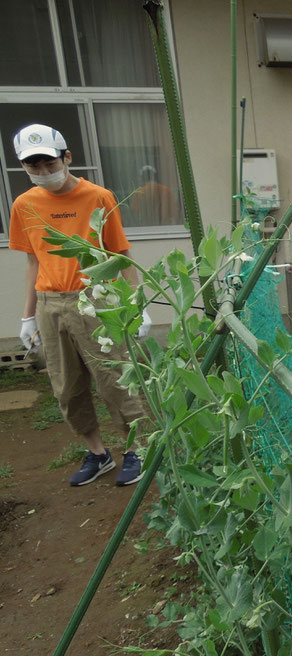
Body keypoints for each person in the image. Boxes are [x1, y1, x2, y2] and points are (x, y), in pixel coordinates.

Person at [10, 123, 151, 487]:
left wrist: (136, 303)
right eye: (33, 167)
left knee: (115, 379)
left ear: (67, 157)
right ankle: (99, 454)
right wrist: (28, 316)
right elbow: (32, 260)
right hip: (49, 302)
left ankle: (137, 449)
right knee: (66, 386)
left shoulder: (98, 197)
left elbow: (119, 253)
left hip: (96, 298)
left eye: (50, 164)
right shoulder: (24, 205)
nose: (43, 173)